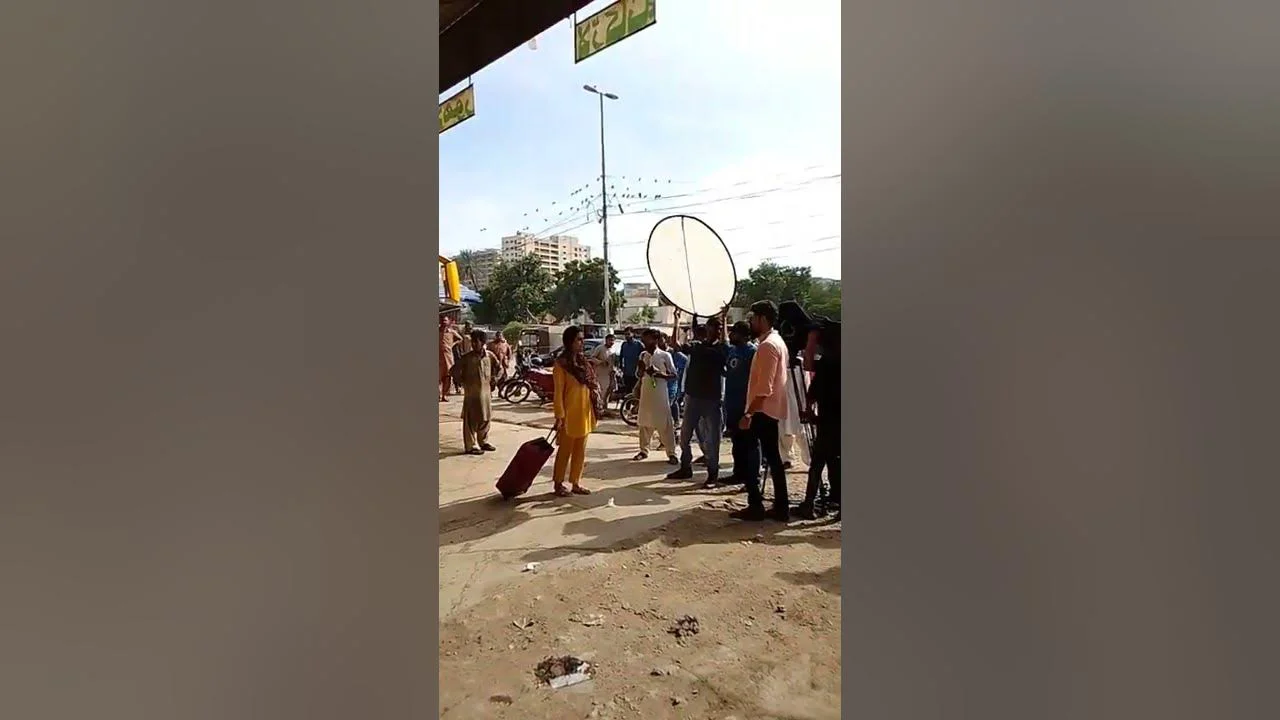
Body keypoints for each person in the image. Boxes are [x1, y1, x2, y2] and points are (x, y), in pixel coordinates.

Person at [733, 300, 791, 522]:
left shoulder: (768, 346)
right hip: (769, 410)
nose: (750, 322)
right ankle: (781, 506)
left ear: (763, 319)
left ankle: (756, 505)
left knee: (750, 456)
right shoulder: (776, 342)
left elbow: (764, 388)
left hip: (761, 411)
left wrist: (748, 414)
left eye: (753, 318)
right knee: (773, 458)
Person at [667, 313, 729, 487]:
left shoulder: (722, 349)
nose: (716, 331)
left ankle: (712, 475)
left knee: (713, 440)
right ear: (707, 328)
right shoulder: (697, 347)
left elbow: (725, 344)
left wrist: (724, 320)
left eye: (719, 328)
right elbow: (675, 344)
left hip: (712, 400)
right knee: (685, 437)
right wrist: (677, 321)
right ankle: (685, 467)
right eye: (714, 327)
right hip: (693, 397)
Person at [551, 326, 599, 497]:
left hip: (584, 413)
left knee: (580, 451)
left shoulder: (583, 362)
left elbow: (590, 384)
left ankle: (576, 483)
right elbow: (558, 393)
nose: (582, 342)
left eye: (582, 339)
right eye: (579, 339)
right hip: (568, 415)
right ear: (569, 341)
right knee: (565, 451)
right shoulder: (561, 364)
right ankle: (558, 483)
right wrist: (559, 416)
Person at [799, 325, 840, 520]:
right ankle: (837, 501)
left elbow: (812, 393)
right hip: (836, 420)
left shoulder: (826, 363)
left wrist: (809, 412)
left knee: (818, 463)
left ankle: (809, 504)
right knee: (835, 462)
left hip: (827, 420)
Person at [633, 328, 679, 464]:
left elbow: (674, 375)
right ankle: (643, 450)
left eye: (647, 340)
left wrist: (660, 374)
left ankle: (671, 453)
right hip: (646, 392)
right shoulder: (642, 355)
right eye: (643, 340)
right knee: (644, 422)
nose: (644, 343)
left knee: (665, 423)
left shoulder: (665, 355)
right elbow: (639, 375)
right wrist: (641, 369)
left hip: (660, 392)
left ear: (656, 340)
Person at [724, 321, 760, 488]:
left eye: (734, 333)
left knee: (749, 443)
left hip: (745, 403)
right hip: (732, 402)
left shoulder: (752, 352)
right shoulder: (733, 350)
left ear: (744, 335)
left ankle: (752, 478)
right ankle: (738, 473)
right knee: (737, 441)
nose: (731, 335)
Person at [452, 328, 499, 455]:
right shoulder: (466, 358)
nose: (473, 344)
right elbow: (454, 371)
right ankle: (471, 446)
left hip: (486, 393)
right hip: (471, 394)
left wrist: (494, 378)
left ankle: (483, 441)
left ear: (483, 342)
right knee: (470, 420)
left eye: (476, 342)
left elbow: (498, 368)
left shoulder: (490, 356)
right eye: (472, 342)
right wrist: (462, 381)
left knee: (485, 418)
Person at [589, 333, 616, 414]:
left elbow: (613, 362)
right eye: (610, 340)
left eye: (613, 340)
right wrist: (600, 362)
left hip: (609, 374)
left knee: (608, 391)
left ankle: (604, 408)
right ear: (606, 340)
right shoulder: (600, 348)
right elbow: (592, 358)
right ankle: (598, 409)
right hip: (600, 373)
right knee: (600, 391)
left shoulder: (613, 350)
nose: (611, 342)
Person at [439, 316, 463, 402]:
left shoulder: (451, 332)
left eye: (445, 320)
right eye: (442, 320)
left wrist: (452, 344)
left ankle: (444, 395)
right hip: (438, 358)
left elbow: (460, 339)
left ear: (448, 321)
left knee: (447, 377)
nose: (444, 322)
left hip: (448, 357)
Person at [618, 327, 644, 396]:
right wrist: (621, 367)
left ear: (633, 334)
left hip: (636, 372)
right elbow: (621, 357)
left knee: (636, 391)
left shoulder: (638, 344)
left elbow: (644, 356)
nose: (627, 336)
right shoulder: (624, 344)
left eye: (628, 334)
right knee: (628, 391)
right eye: (625, 334)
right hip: (627, 372)